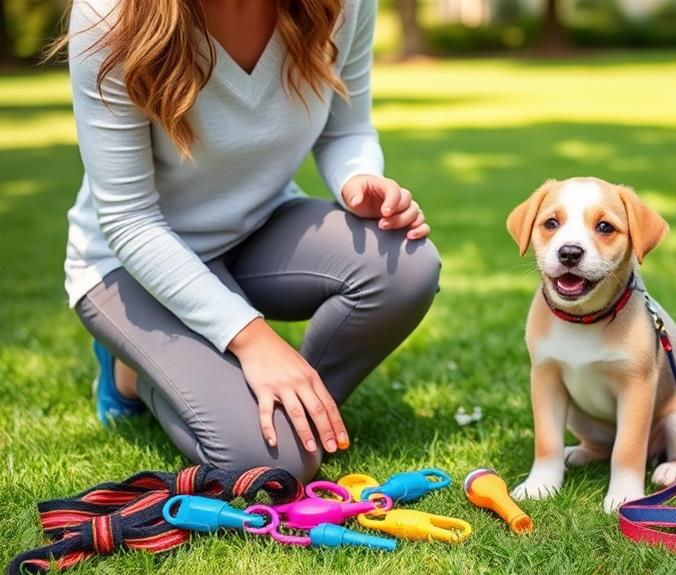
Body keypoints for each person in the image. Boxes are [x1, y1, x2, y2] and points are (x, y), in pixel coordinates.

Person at [59, 0, 440, 481]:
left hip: (256, 228)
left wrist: (359, 179)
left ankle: (290, 404)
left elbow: (348, 128)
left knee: (404, 265)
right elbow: (128, 219)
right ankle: (130, 374)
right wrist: (253, 339)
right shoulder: (109, 12)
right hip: (129, 264)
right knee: (270, 466)